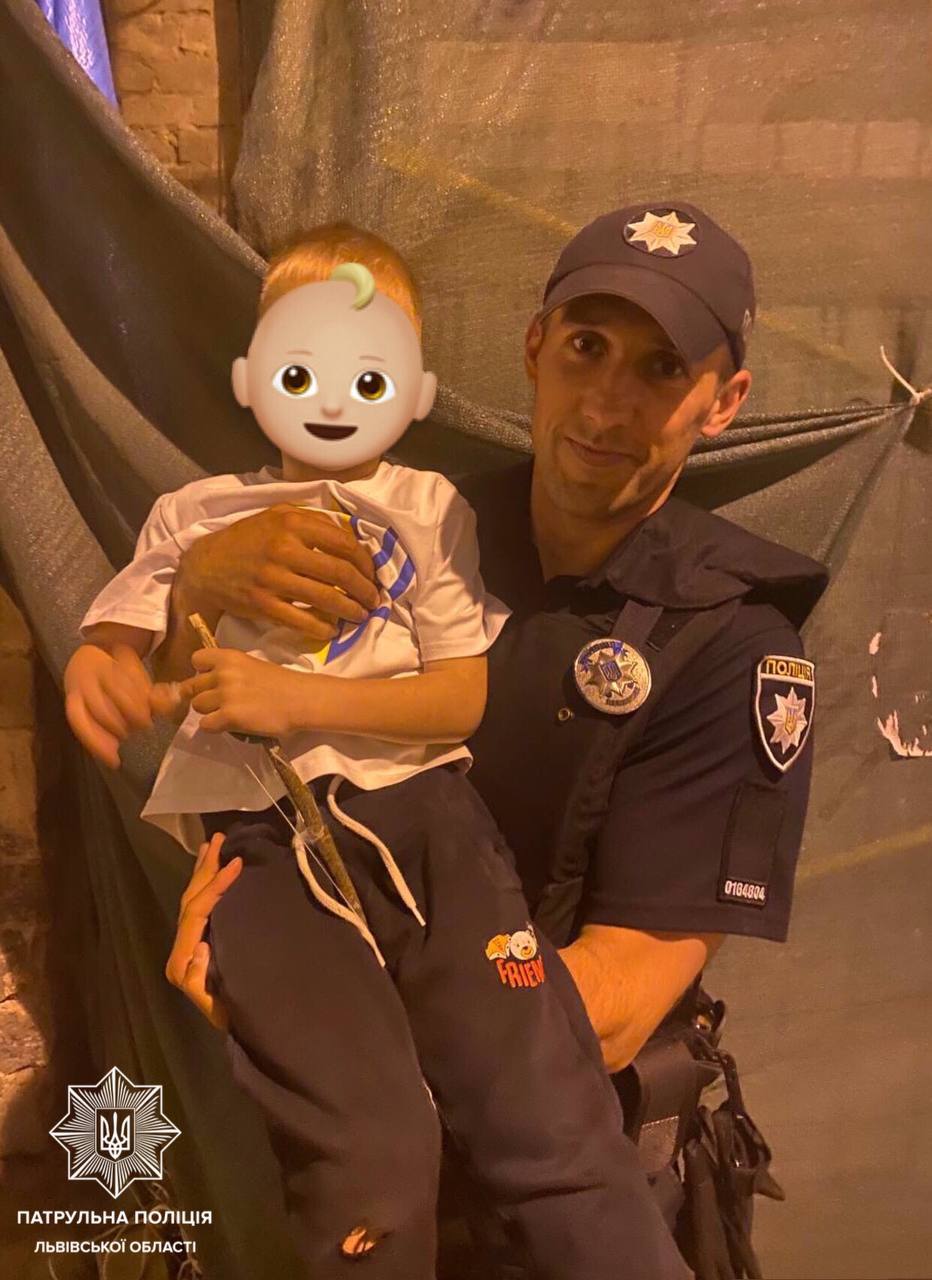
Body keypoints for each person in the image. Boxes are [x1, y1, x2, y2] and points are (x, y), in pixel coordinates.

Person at [162, 203, 828, 1276]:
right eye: (585, 348)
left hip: (564, 1193)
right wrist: (192, 586)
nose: (604, 403)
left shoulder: (727, 642)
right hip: (369, 1182)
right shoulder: (409, 534)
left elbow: (616, 1004)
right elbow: (214, 723)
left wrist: (303, 1013)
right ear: (534, 348)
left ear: (723, 402)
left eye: (661, 368)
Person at [63, 225, 690, 1280]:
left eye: (367, 375)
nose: (330, 398)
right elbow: (119, 643)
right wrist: (103, 665)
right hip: (262, 842)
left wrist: (292, 695)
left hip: (427, 822)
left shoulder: (428, 508)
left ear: (415, 391)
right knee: (367, 1153)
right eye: (299, 370)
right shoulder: (192, 514)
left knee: (550, 1116)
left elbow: (463, 694)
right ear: (250, 377)